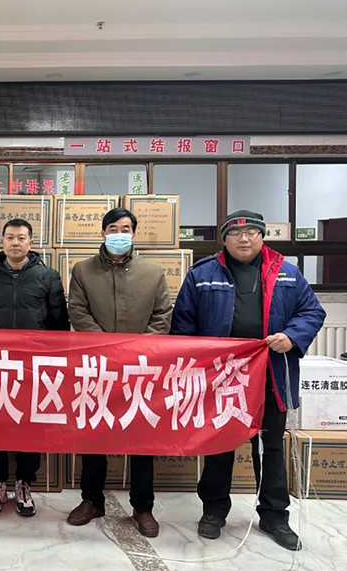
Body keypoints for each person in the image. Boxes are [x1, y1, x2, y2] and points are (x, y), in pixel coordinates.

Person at [172, 210, 325, 551]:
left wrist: (292, 336)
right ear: (224, 239)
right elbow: (183, 324)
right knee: (219, 443)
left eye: (252, 232)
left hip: (270, 373)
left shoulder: (286, 272)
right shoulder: (202, 274)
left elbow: (312, 311)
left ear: (262, 236)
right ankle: (214, 510)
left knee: (272, 447)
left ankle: (274, 516)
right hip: (222, 377)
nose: (244, 238)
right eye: (235, 233)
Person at [65, 208, 172, 538]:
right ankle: (91, 500)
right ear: (103, 233)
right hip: (97, 367)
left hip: (141, 368)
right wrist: (108, 349)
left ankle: (143, 506)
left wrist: (136, 350)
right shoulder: (82, 270)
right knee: (94, 435)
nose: (120, 234)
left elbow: (162, 316)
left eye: (126, 229)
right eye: (113, 228)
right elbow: (77, 311)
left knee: (141, 438)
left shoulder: (152, 272)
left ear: (134, 234)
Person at [0, 218, 70, 517]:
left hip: (33, 366)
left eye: (21, 238)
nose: (15, 242)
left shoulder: (47, 276)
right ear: (2, 242)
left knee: (30, 425)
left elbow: (59, 323)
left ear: (30, 242)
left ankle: (25, 483)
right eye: (10, 237)